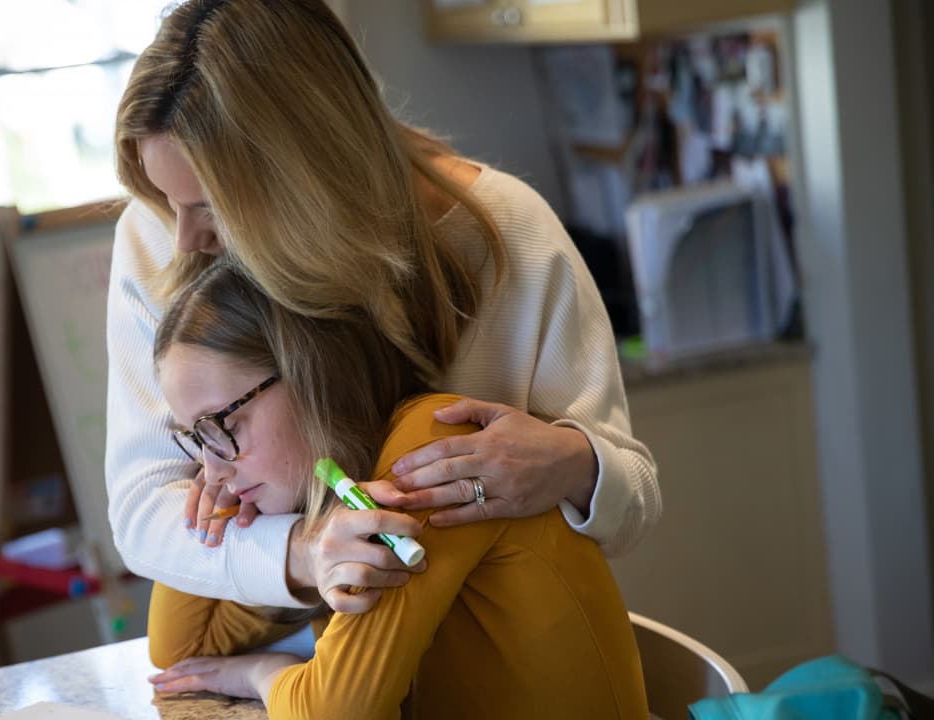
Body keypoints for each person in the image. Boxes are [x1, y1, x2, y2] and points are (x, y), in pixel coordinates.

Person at [106, 0, 661, 614]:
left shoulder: (509, 232)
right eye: (164, 198)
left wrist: (573, 463)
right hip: (286, 676)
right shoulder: (156, 233)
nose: (184, 238)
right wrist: (303, 551)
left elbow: (632, 504)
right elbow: (142, 510)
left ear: (304, 178)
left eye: (211, 205)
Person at [143, 261, 648, 719]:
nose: (211, 471)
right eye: (195, 438)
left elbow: (332, 714)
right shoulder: (319, 495)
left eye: (219, 424)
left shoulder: (430, 455)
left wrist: (261, 674)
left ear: (308, 372)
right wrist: (236, 491)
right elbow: (181, 651)